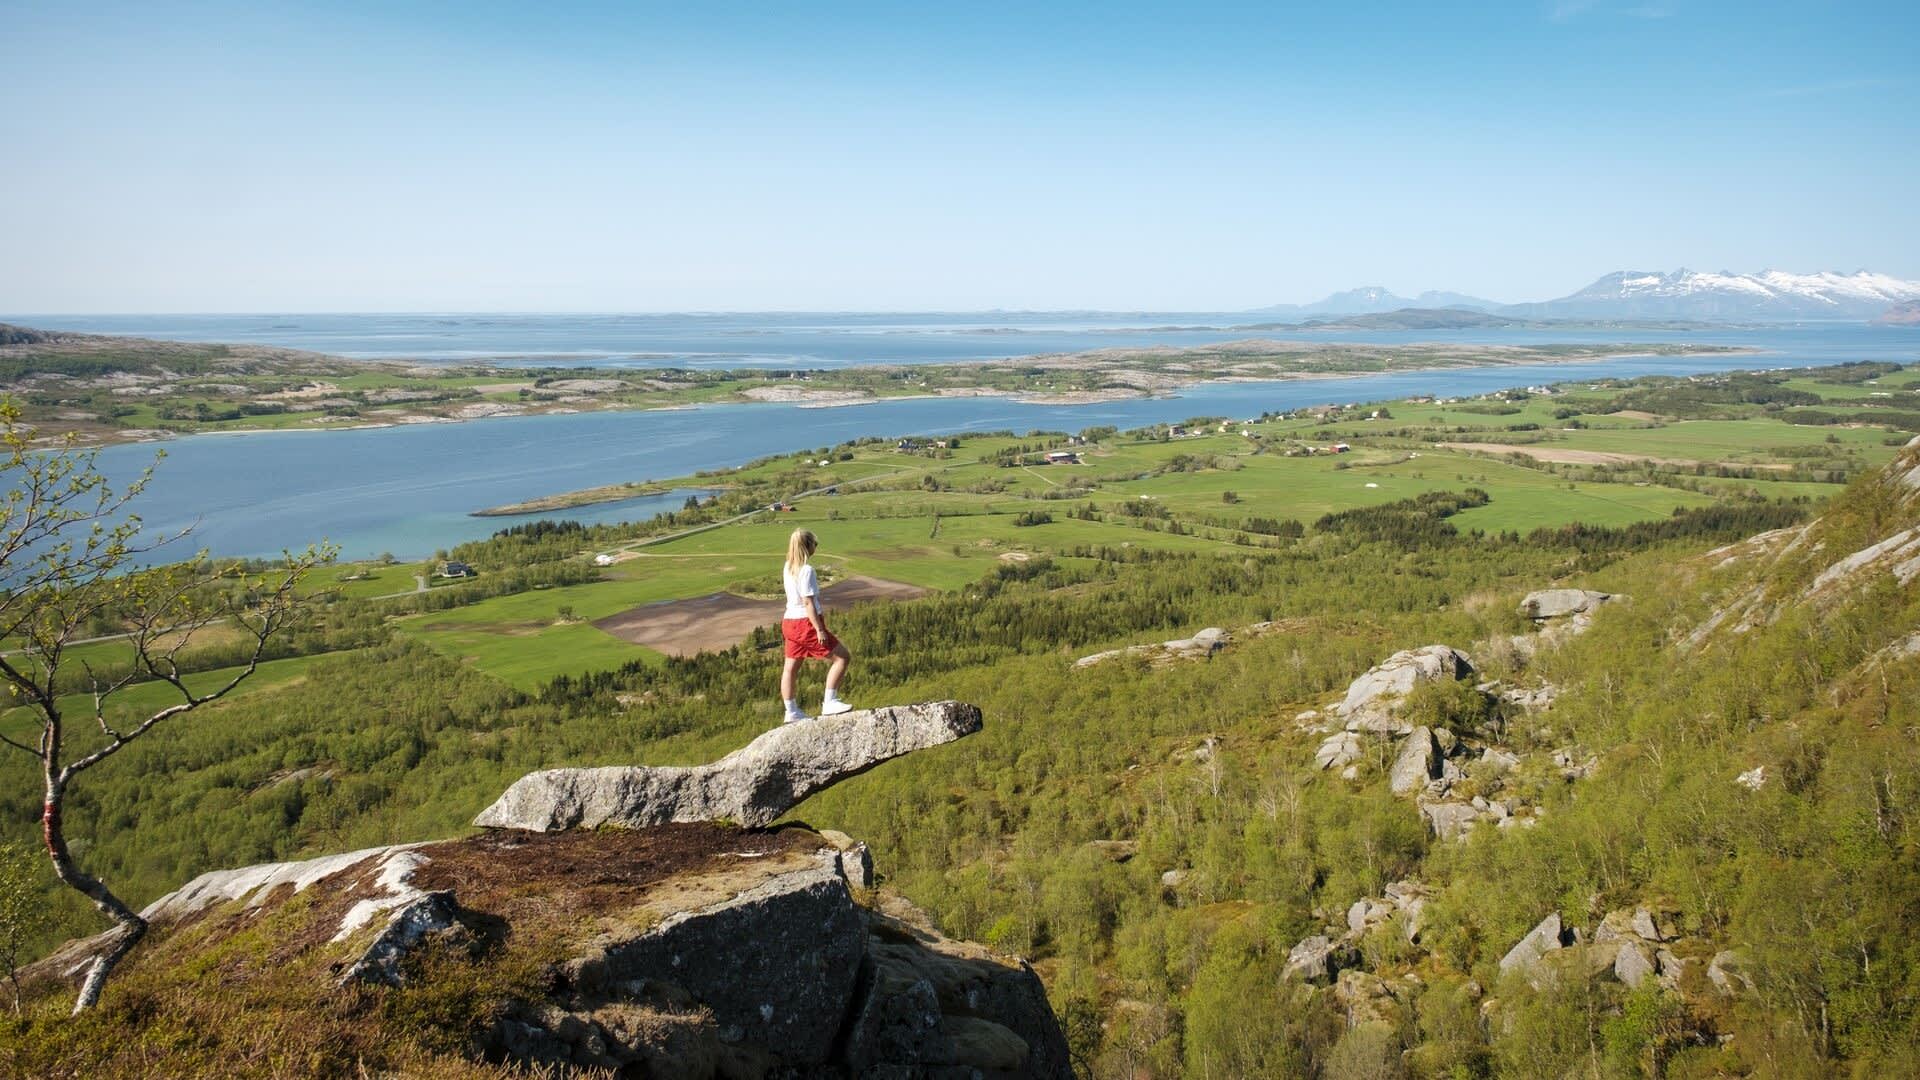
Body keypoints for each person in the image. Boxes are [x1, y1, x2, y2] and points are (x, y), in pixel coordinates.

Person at [780, 528, 853, 723]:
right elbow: (807, 602)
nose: (816, 546)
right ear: (807, 546)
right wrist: (819, 629)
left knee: (790, 668)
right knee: (842, 658)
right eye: (814, 543)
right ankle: (830, 702)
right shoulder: (806, 570)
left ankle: (791, 711)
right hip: (806, 623)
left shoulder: (788, 567)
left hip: (789, 622)